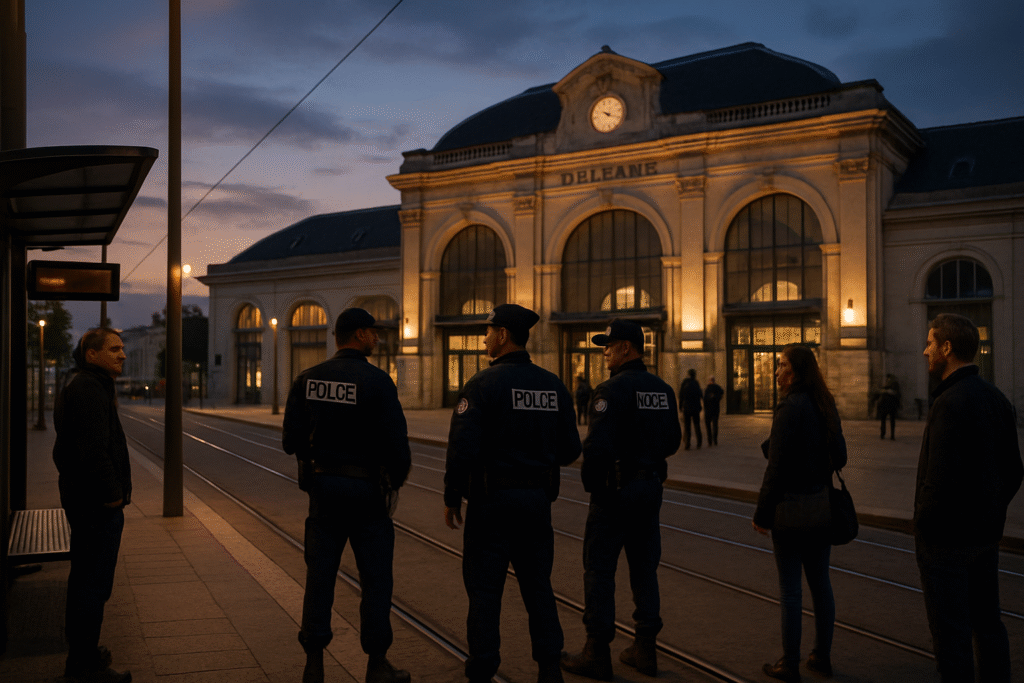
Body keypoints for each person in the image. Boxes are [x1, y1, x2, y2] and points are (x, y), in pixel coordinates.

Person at [444, 303, 582, 683]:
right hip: (537, 504)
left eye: (488, 331)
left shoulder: (481, 385)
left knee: (485, 591)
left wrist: (452, 497)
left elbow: (462, 449)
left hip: (491, 504)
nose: (484, 337)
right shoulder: (554, 385)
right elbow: (571, 449)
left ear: (503, 335)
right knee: (538, 587)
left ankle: (483, 667)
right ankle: (550, 667)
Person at [283, 308, 412, 683]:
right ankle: (377, 664)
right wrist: (394, 481)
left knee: (319, 576)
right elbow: (397, 447)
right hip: (369, 494)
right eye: (373, 333)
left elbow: (290, 441)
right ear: (358, 334)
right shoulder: (378, 382)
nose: (377, 338)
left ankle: (314, 664)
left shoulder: (308, 379)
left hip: (324, 492)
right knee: (376, 580)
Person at [561, 319, 682, 679]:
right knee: (645, 569)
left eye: (609, 346)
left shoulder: (610, 391)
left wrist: (595, 488)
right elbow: (673, 442)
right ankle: (645, 649)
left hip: (615, 491)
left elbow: (596, 448)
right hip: (649, 489)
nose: (605, 352)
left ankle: (597, 651)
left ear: (627, 348)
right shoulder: (662, 390)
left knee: (599, 570)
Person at [916, 313, 1022, 682]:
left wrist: (925, 527)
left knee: (952, 634)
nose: (925, 350)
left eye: (930, 342)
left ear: (947, 348)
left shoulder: (948, 402)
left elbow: (937, 479)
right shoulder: (996, 398)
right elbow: (1014, 472)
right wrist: (990, 511)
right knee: (988, 622)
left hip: (947, 542)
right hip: (984, 536)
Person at [753, 344, 847, 683]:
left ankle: (789, 663)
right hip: (820, 505)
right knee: (821, 584)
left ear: (796, 371)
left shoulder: (788, 407)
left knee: (791, 589)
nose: (777, 371)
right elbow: (841, 455)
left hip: (790, 510)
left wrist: (762, 514)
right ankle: (821, 656)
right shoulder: (825, 403)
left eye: (781, 365)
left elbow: (775, 469)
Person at [52, 328, 132, 683]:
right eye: (114, 349)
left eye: (123, 348)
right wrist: (112, 495)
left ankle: (84, 655)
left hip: (87, 501)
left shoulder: (87, 384)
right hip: (96, 506)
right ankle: (83, 666)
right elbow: (93, 450)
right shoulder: (87, 389)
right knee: (91, 586)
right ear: (92, 354)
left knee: (89, 582)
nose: (122, 354)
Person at [678, 368, 703, 449]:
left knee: (687, 426)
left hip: (687, 407)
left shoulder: (685, 383)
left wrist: (680, 406)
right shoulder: (696, 383)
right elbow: (700, 394)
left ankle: (687, 444)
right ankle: (699, 443)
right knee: (697, 425)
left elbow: (681, 395)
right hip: (695, 407)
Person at [876, 374, 901, 440]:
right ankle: (883, 434)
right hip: (885, 405)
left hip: (891, 405)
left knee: (891, 421)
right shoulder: (886, 386)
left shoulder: (894, 385)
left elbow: (897, 394)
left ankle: (891, 435)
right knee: (884, 420)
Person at [703, 376, 724, 446]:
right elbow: (722, 393)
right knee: (715, 425)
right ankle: (715, 440)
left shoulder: (707, 389)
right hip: (715, 409)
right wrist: (718, 398)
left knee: (708, 426)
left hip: (708, 410)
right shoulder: (717, 387)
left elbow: (705, 399)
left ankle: (710, 441)